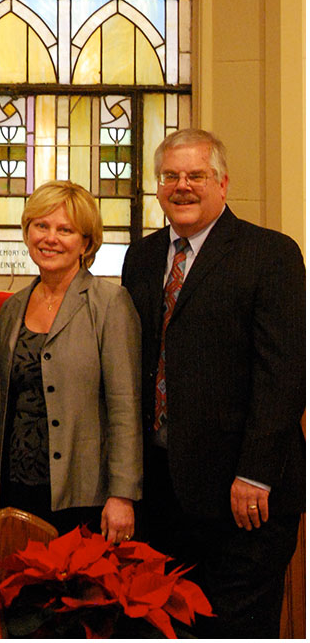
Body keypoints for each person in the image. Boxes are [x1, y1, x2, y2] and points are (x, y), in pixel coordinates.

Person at [121, 128, 305, 638]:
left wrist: (257, 474)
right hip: (161, 491)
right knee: (164, 629)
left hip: (243, 497)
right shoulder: (141, 257)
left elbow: (286, 374)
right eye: (171, 176)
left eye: (195, 175)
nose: (183, 186)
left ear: (222, 183)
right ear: (158, 187)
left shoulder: (271, 254)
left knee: (234, 628)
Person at [0, 180, 142, 539]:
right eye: (41, 226)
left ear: (86, 242)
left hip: (83, 492)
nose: (50, 238)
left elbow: (125, 406)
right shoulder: (13, 308)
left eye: (65, 230)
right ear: (27, 232)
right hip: (16, 486)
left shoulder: (109, 304)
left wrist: (122, 494)